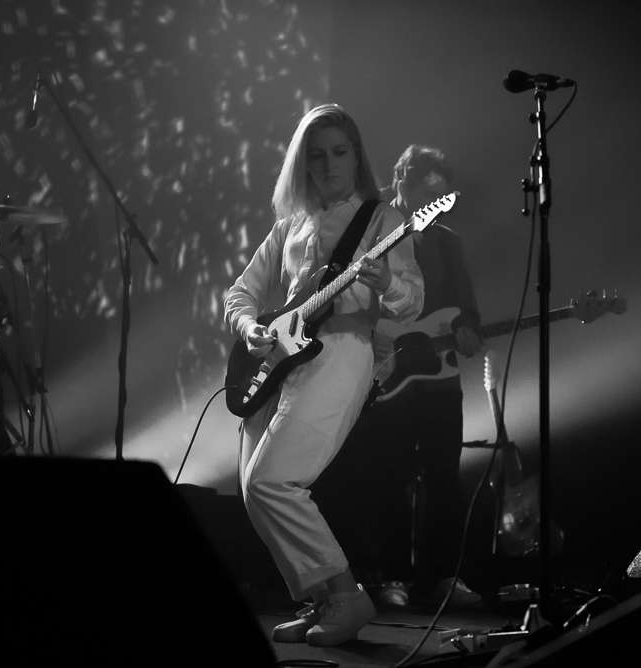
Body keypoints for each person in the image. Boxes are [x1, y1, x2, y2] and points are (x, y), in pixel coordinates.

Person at [224, 104, 424, 646]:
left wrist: (384, 282)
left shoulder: (383, 221)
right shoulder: (290, 226)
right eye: (317, 156)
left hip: (344, 351)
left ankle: (347, 598)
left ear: (356, 155)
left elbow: (412, 303)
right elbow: (240, 294)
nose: (330, 164)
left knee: (273, 481)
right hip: (278, 360)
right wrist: (250, 330)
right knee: (253, 489)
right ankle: (321, 601)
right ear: (302, 165)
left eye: (340, 152)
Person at [317, 144, 483, 609]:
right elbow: (345, 296)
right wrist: (377, 336)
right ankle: (390, 576)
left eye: (443, 198)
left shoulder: (448, 242)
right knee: (387, 479)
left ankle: (445, 577)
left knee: (443, 480)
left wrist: (467, 329)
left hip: (440, 381)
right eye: (428, 196)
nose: (436, 206)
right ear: (402, 185)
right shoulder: (372, 230)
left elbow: (466, 307)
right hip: (384, 375)